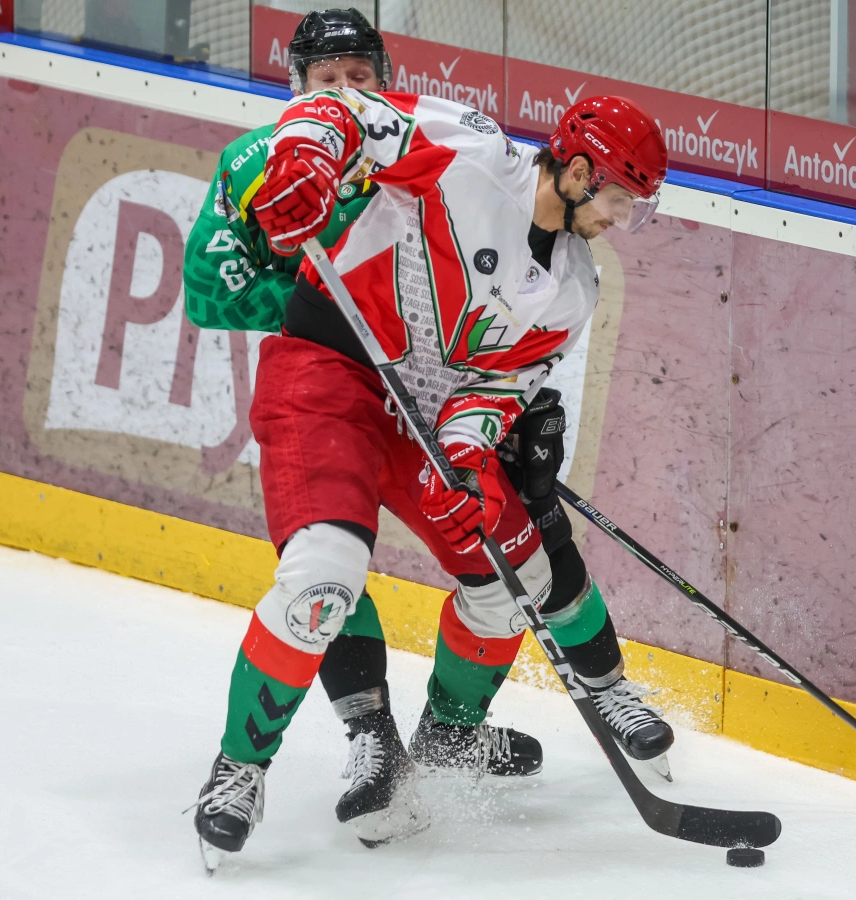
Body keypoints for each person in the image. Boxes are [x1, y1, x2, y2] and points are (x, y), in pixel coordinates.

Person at [187, 78, 671, 865]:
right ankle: (239, 770)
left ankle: (446, 741)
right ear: (581, 172)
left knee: (515, 577)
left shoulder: (574, 290)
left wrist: (466, 460)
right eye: (621, 199)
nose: (621, 219)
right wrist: (306, 161)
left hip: (426, 425)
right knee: (323, 578)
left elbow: (497, 388)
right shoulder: (471, 152)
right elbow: (344, 110)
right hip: (330, 374)